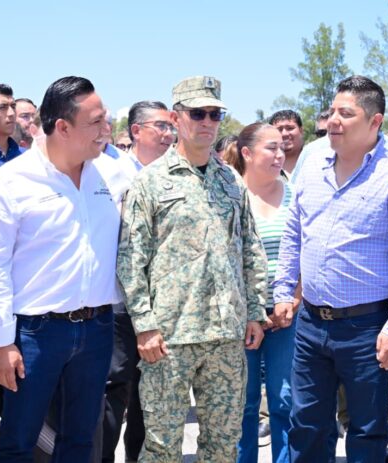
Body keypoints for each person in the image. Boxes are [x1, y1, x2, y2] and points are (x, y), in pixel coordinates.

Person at [273, 75, 388, 462]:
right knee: (306, 424)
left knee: (367, 429)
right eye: (332, 112)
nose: (333, 121)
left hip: (367, 328)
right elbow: (293, 235)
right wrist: (283, 291)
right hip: (310, 323)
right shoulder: (312, 168)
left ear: (375, 122)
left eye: (346, 114)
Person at [0, 75, 129, 462]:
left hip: (97, 329)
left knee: (81, 440)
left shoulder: (112, 175)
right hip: (34, 334)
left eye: (106, 119)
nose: (106, 129)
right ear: (62, 127)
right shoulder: (11, 182)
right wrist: (1, 343)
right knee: (18, 442)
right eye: (95, 121)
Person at [117, 75, 267, 462]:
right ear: (176, 118)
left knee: (223, 445)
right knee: (161, 447)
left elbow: (250, 248)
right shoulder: (150, 182)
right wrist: (144, 325)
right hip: (170, 336)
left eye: (215, 114)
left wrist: (254, 310)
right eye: (198, 113)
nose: (207, 122)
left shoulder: (231, 181)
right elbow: (131, 258)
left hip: (226, 335)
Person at [100, 100, 175, 463]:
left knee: (151, 397)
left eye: (170, 126)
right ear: (136, 131)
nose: (168, 134)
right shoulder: (110, 175)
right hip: (119, 304)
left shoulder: (174, 175)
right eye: (160, 126)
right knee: (114, 392)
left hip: (163, 307)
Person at [228, 122, 299, 463]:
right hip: (242, 319)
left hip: (289, 316)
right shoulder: (229, 195)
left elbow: (308, 251)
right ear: (247, 152)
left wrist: (293, 300)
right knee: (244, 404)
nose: (280, 154)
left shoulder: (295, 193)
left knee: (286, 400)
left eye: (282, 148)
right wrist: (252, 313)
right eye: (271, 147)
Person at [270, 109, 304, 176]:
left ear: (301, 131)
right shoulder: (264, 167)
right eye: (279, 130)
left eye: (290, 128)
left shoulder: (316, 159)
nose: (284, 134)